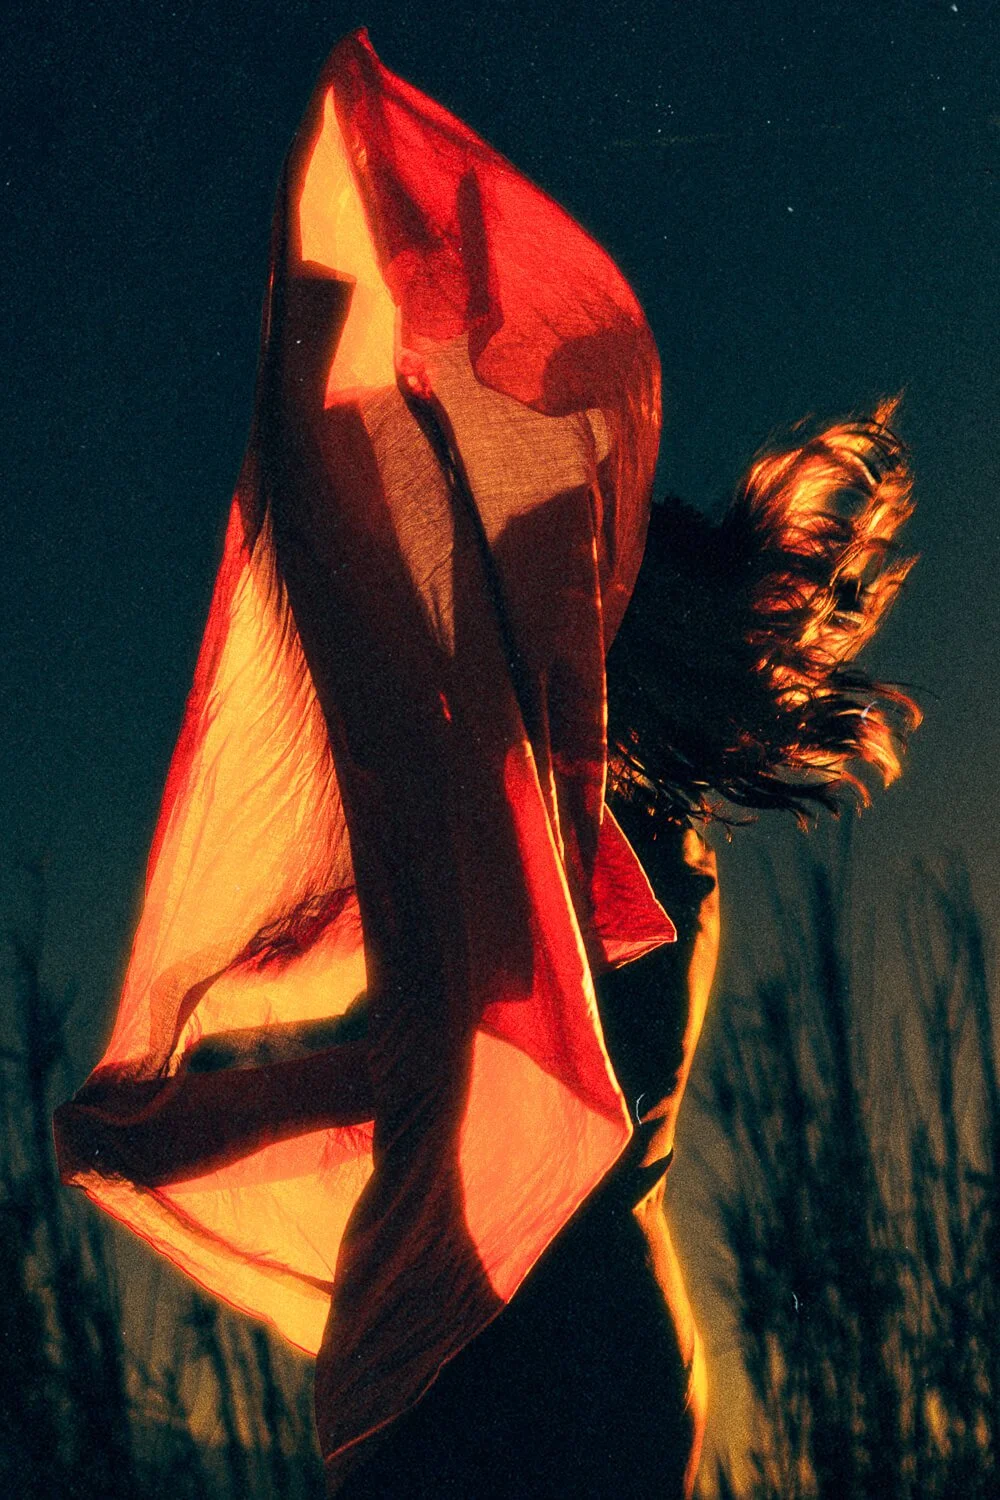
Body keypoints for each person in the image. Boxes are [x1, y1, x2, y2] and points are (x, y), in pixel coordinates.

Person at [55, 30, 917, 1498]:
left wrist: (335, 319)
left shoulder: (590, 864)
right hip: (535, 1378)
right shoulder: (603, 858)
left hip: (514, 1388)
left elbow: (441, 1069)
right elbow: (440, 1072)